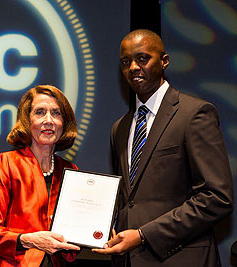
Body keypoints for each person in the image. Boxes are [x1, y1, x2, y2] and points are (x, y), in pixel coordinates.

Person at [92, 29, 234, 266]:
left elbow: (217, 198)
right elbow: (127, 201)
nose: (134, 67)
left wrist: (143, 235)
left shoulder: (194, 114)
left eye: (142, 58)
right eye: (126, 62)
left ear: (164, 61)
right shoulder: (120, 127)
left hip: (182, 258)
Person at [0, 85, 80, 266]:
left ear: (64, 122)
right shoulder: (7, 163)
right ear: (26, 120)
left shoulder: (70, 171)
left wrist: (96, 230)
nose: (49, 120)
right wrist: (28, 240)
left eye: (56, 113)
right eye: (40, 112)